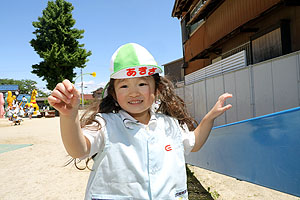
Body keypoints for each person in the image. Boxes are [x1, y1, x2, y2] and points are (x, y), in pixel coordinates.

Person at [48, 43, 232, 200]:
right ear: (113, 93)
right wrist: (69, 116)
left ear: (157, 89)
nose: (133, 92)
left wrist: (209, 118)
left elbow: (194, 143)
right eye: (124, 85)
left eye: (142, 84)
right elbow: (78, 149)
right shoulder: (104, 124)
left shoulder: (170, 124)